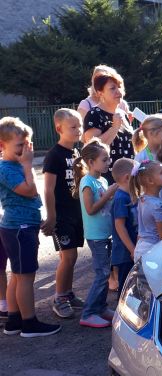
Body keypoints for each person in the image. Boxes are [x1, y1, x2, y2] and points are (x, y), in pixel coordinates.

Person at [0, 117, 61, 337]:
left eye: (28, 145)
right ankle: (29, 323)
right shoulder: (6, 168)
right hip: (18, 228)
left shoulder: (14, 165)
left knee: (17, 275)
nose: (25, 151)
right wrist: (28, 165)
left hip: (23, 226)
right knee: (25, 276)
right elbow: (29, 191)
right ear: (2, 145)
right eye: (20, 146)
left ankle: (14, 320)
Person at [42, 108, 85, 318]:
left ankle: (68, 293)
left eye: (80, 126)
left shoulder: (76, 153)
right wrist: (51, 217)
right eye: (73, 127)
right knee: (67, 257)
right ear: (59, 128)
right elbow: (48, 188)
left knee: (73, 256)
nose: (79, 130)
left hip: (76, 213)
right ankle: (58, 298)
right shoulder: (54, 155)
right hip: (62, 215)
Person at [75, 139, 118, 328]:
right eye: (105, 159)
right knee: (101, 274)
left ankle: (100, 308)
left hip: (106, 234)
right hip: (96, 236)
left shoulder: (102, 180)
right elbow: (90, 209)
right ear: (91, 162)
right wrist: (108, 194)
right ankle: (88, 312)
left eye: (108, 158)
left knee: (105, 271)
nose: (108, 162)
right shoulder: (87, 182)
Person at [83, 72, 135, 184]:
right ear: (100, 93)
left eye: (119, 87)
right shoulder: (94, 114)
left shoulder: (122, 113)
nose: (118, 91)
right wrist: (114, 128)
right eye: (112, 88)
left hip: (129, 178)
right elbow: (92, 148)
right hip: (108, 181)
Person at [131, 161, 162, 261]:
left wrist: (136, 249)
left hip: (140, 248)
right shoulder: (158, 206)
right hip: (152, 251)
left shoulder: (142, 199)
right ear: (150, 180)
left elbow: (141, 231)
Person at [110, 159, 138, 293]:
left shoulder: (129, 195)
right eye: (136, 176)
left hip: (131, 251)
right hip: (124, 253)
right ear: (128, 177)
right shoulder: (121, 198)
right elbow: (119, 226)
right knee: (125, 290)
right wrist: (132, 249)